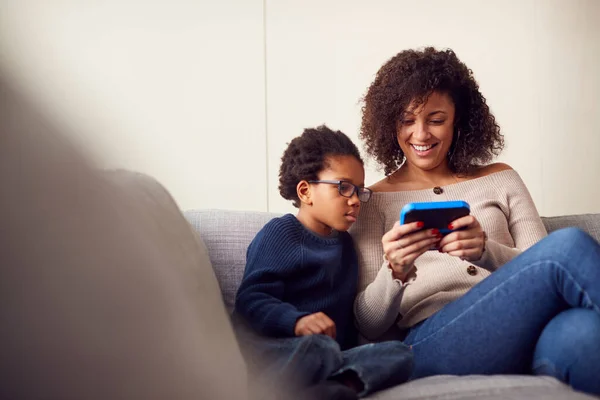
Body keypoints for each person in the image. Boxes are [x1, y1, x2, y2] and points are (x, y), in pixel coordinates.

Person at [350, 47, 600, 396]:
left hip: (528, 331)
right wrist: (394, 271)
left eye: (436, 120)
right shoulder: (370, 202)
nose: (420, 135)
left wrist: (486, 252)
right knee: (570, 243)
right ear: (390, 123)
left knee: (586, 332)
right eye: (407, 120)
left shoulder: (502, 178)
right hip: (432, 342)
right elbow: (369, 324)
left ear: (458, 120)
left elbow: (541, 267)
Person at [233, 126, 413, 399]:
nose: (354, 200)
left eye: (359, 191)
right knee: (317, 349)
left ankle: (336, 388)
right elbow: (251, 301)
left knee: (402, 353)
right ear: (305, 191)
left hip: (330, 355)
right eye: (343, 188)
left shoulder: (347, 247)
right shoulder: (280, 234)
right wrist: (296, 321)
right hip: (277, 349)